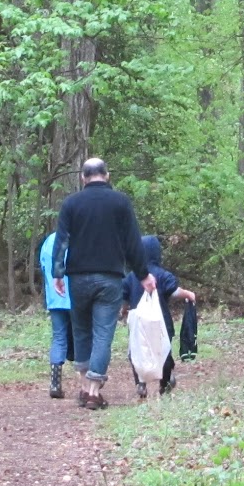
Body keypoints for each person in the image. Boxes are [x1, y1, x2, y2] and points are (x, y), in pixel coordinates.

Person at [51, 157, 154, 410]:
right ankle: (94, 391)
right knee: (103, 334)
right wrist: (142, 274)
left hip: (78, 278)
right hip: (109, 277)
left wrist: (58, 273)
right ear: (107, 175)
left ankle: (85, 387)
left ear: (83, 178)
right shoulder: (120, 202)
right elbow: (133, 242)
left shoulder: (71, 203)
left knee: (81, 330)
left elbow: (61, 241)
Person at [123, 234, 195, 398]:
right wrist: (188, 294)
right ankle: (165, 381)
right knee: (163, 351)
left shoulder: (131, 276)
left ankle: (140, 383)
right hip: (162, 322)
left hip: (138, 322)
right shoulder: (162, 275)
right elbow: (174, 291)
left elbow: (124, 297)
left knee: (137, 352)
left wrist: (123, 310)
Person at [38, 230, 73, 399]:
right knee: (82, 336)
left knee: (59, 337)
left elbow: (44, 266)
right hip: (75, 296)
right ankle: (87, 382)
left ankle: (55, 382)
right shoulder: (77, 238)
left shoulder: (49, 241)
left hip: (55, 298)